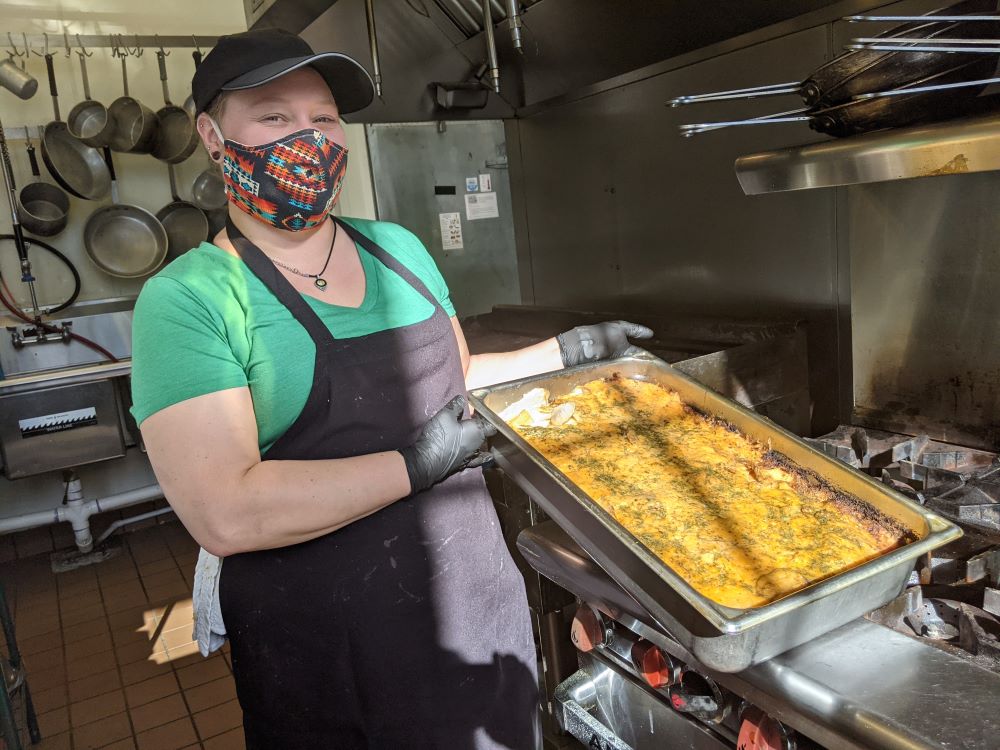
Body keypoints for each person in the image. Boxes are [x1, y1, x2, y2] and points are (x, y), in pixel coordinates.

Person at [130, 28, 653, 750]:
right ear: (213, 136)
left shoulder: (397, 249)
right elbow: (227, 511)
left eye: (323, 118)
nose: (307, 138)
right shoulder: (191, 299)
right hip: (326, 657)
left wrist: (568, 352)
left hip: (475, 612)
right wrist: (416, 464)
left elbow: (458, 381)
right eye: (275, 117)